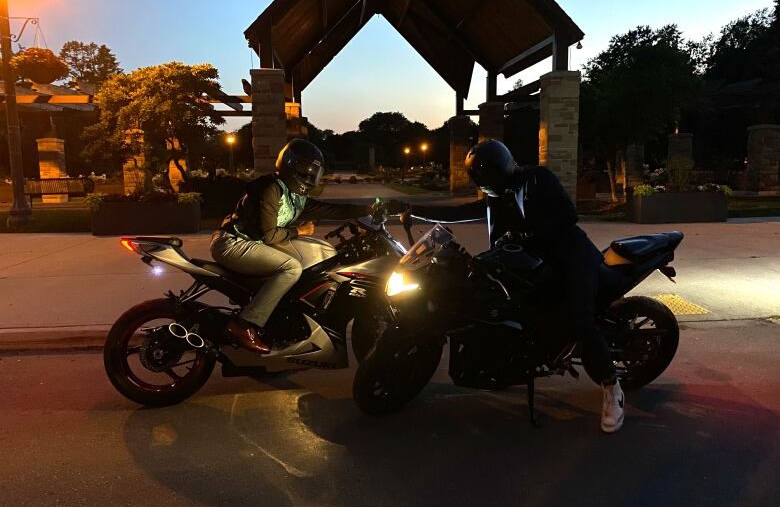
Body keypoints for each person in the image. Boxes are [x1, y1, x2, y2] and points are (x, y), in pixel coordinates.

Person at [406, 139, 624, 433]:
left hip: (571, 260)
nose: (487, 185)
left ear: (505, 167)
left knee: (580, 321)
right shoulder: (498, 196)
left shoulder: (537, 178)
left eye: (490, 177)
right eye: (482, 180)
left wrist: (528, 235)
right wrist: (415, 210)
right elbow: (465, 211)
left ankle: (612, 387)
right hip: (530, 264)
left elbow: (567, 215)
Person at [211, 138, 379, 354]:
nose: (309, 177)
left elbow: (330, 209)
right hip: (232, 243)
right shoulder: (271, 189)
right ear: (291, 167)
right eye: (305, 171)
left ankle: (281, 317)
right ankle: (244, 325)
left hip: (252, 243)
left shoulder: (295, 196)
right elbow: (270, 235)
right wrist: (298, 231)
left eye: (312, 173)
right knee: (291, 268)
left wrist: (368, 210)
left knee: (313, 255)